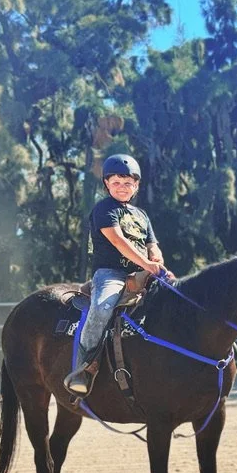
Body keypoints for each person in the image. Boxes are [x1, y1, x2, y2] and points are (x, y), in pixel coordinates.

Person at [64, 153, 174, 396]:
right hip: (111, 273)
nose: (122, 188)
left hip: (143, 270)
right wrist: (146, 263)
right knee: (102, 307)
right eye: (116, 183)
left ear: (136, 185)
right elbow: (118, 241)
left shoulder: (141, 215)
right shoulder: (104, 209)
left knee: (177, 298)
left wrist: (156, 258)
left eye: (127, 183)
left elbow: (152, 243)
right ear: (107, 184)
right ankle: (84, 367)